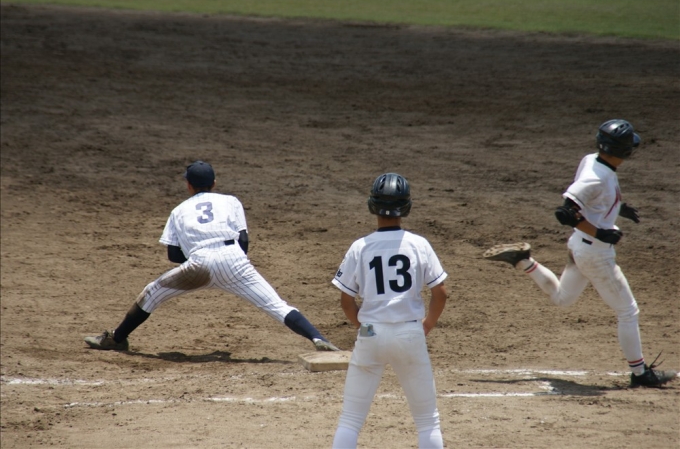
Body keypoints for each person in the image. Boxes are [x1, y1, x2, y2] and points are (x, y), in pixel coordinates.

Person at [483, 119, 677, 388]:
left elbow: (591, 199)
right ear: (624, 150)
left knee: (562, 298)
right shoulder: (598, 177)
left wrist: (615, 208)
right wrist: (600, 232)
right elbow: (565, 212)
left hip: (579, 246)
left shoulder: (592, 160)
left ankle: (523, 261)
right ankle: (640, 373)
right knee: (628, 311)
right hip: (595, 254)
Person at [84, 160, 340, 353]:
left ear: (188, 185)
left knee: (151, 293)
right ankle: (318, 338)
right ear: (214, 183)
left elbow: (173, 254)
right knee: (276, 305)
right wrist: (231, 267)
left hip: (198, 265)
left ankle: (117, 338)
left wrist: (200, 264)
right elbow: (243, 240)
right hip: (235, 261)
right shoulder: (230, 201)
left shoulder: (178, 210)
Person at [331, 173, 448, 449]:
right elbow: (441, 293)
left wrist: (363, 327)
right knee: (428, 422)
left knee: (350, 420)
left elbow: (346, 301)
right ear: (406, 207)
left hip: (371, 334)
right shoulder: (419, 244)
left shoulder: (360, 247)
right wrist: (427, 325)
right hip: (409, 333)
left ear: (372, 205)